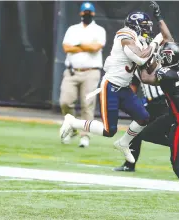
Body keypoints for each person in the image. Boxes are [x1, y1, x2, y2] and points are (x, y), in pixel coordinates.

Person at [59, 10, 163, 163]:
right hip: (111, 86)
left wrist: (157, 58)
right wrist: (155, 44)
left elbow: (148, 69)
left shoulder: (141, 41)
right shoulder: (125, 34)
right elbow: (140, 59)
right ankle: (72, 122)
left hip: (124, 88)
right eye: (144, 26)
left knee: (143, 117)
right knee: (109, 130)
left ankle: (124, 143)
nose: (147, 30)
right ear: (135, 26)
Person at [137, 2, 179, 219]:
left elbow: (146, 77)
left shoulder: (168, 77)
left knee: (177, 166)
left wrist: (138, 59)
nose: (162, 55)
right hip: (174, 115)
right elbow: (168, 37)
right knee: (144, 133)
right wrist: (160, 17)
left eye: (163, 55)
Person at [113, 36, 179, 176]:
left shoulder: (156, 61)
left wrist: (144, 59)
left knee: (169, 133)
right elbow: (134, 84)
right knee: (138, 131)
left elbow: (148, 76)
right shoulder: (134, 64)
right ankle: (130, 164)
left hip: (163, 101)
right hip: (150, 102)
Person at [59, 2, 106, 148]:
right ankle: (72, 128)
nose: (87, 15)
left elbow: (96, 47)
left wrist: (77, 45)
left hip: (91, 72)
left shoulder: (99, 30)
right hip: (72, 71)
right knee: (65, 102)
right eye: (84, 12)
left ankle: (85, 136)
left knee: (88, 105)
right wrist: (85, 45)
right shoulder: (73, 29)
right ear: (80, 13)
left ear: (93, 14)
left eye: (89, 12)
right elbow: (67, 47)